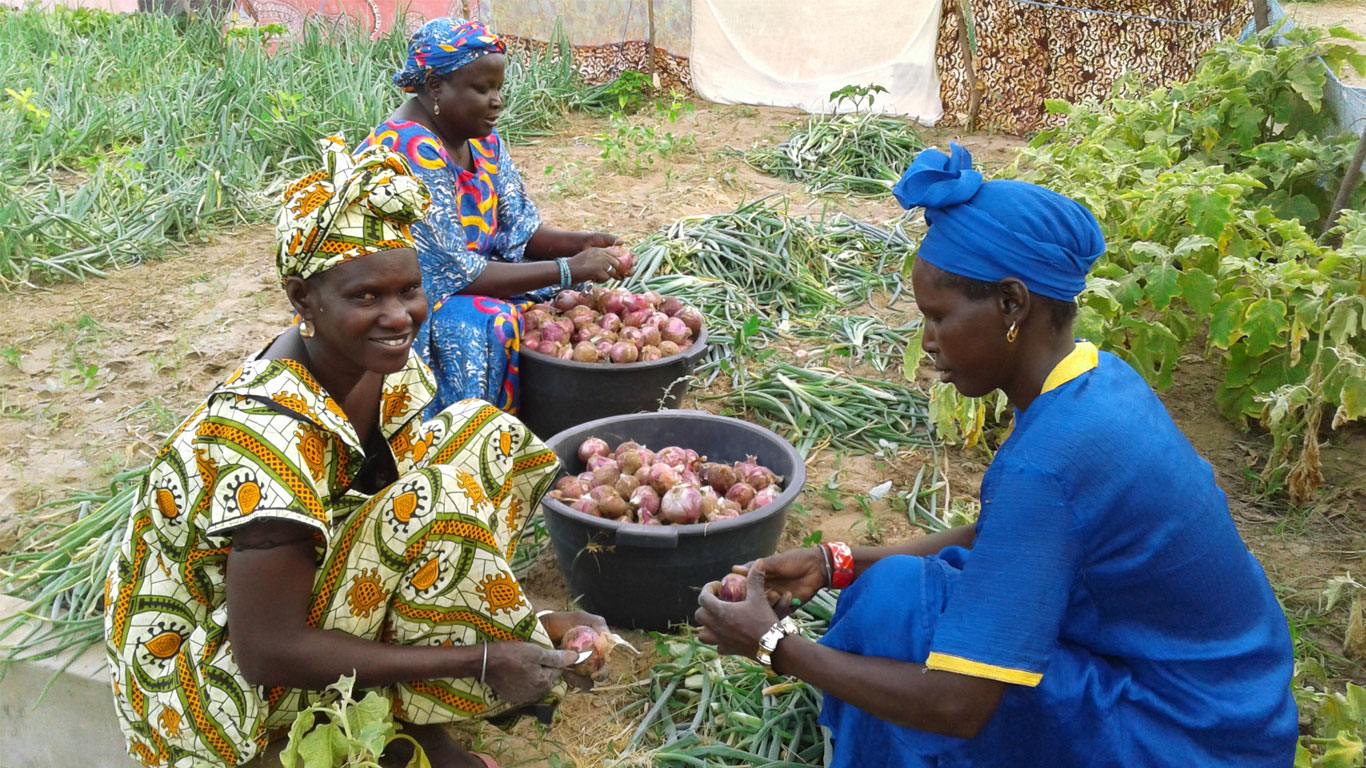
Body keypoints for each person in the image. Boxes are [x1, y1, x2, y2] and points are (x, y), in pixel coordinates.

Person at [693, 144, 1297, 767]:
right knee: (895, 590)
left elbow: (958, 704)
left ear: (1012, 304)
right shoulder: (1099, 380)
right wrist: (839, 561)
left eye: (938, 316)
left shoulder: (1048, 464)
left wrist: (772, 644)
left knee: (898, 629)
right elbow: (1004, 536)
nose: (927, 341)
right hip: (1237, 704)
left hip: (1185, 735)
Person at [103, 138, 606, 768]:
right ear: (301, 297)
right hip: (216, 673)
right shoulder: (265, 438)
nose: (398, 317)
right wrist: (479, 658)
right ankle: (355, 724)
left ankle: (415, 707)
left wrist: (518, 624)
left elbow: (392, 509)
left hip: (299, 592)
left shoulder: (372, 365)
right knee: (432, 501)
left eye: (410, 291)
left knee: (488, 439)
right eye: (366, 297)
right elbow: (267, 650)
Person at [362, 17, 625, 417]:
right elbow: (456, 273)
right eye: (482, 89)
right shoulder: (407, 149)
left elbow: (520, 228)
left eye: (499, 88)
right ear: (435, 87)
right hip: (402, 302)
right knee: (496, 320)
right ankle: (464, 428)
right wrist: (567, 269)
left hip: (468, 277)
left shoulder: (479, 138)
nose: (496, 101)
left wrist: (582, 243)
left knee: (573, 301)